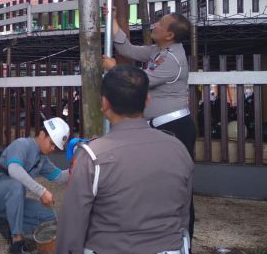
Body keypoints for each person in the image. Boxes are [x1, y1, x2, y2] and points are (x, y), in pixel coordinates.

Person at [56, 65, 194, 254]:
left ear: (104, 103)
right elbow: (184, 214)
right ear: (147, 99)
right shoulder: (178, 149)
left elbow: (72, 225)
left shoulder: (92, 156)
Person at [103, 6, 196, 238]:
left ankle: (183, 241)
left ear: (170, 35)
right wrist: (112, 19)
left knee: (177, 186)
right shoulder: (159, 50)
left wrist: (116, 69)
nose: (154, 25)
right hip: (159, 128)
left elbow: (139, 81)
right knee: (155, 182)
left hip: (174, 128)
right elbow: (128, 49)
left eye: (160, 23)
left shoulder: (174, 59)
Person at [0, 117, 71, 254]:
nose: (52, 148)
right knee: (16, 185)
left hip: (12, 202)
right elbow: (14, 169)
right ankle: (17, 243)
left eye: (55, 147)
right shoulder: (22, 145)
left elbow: (60, 177)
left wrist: (77, 167)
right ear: (42, 135)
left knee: (51, 216)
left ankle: (5, 224)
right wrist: (41, 191)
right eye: (51, 143)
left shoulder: (42, 159)